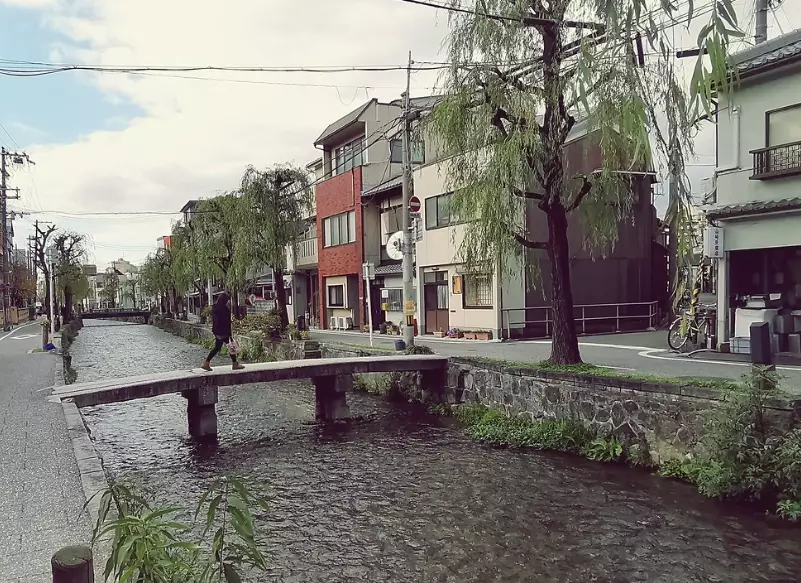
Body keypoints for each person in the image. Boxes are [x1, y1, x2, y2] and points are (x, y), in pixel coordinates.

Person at [201, 292, 245, 371]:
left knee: (217, 347)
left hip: (217, 330)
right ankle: (235, 364)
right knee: (232, 346)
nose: (228, 302)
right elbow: (226, 322)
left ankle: (206, 363)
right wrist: (229, 334)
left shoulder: (215, 308)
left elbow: (215, 321)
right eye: (227, 300)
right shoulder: (224, 309)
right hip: (223, 331)